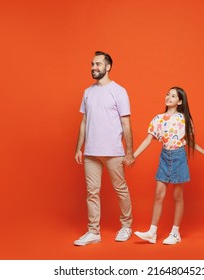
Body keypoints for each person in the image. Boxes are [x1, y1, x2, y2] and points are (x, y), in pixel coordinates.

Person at [131, 87, 204, 245]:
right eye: (167, 94)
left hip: (179, 156)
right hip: (165, 157)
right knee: (159, 194)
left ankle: (175, 232)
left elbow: (191, 142)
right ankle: (152, 232)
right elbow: (148, 140)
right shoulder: (158, 119)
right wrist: (133, 155)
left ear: (179, 101)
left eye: (173, 96)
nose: (168, 97)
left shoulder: (184, 119)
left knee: (177, 196)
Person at [73, 51, 134, 246]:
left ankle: (126, 226)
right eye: (92, 64)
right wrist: (78, 148)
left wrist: (130, 152)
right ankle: (93, 232)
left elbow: (126, 124)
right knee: (92, 192)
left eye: (98, 64)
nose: (94, 67)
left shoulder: (119, 91)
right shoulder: (87, 92)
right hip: (91, 152)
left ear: (108, 67)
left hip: (113, 151)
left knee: (120, 189)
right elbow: (84, 122)